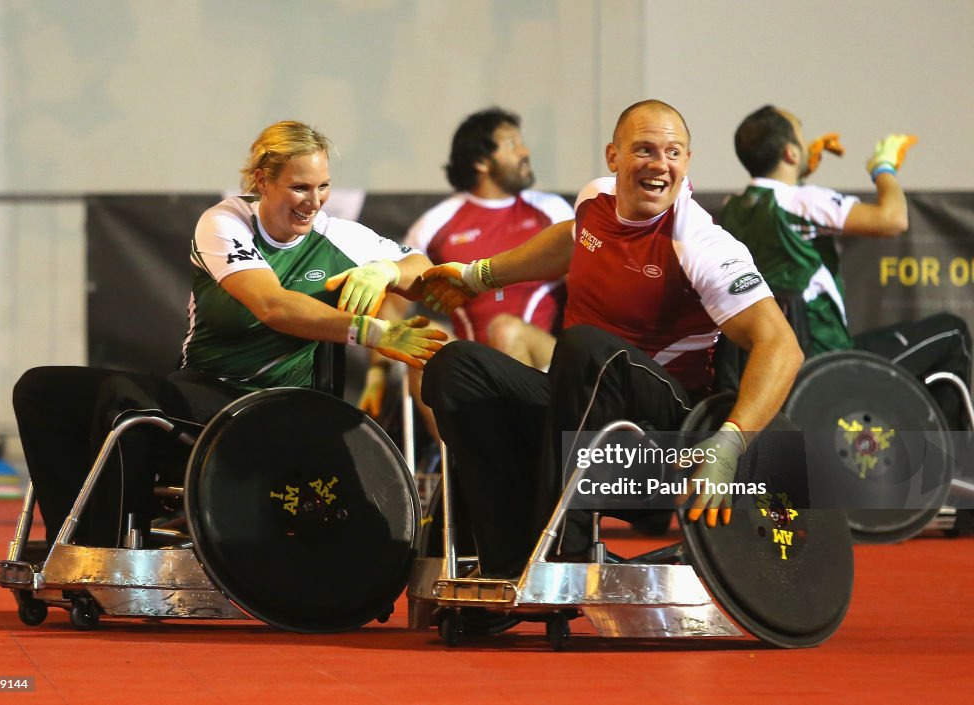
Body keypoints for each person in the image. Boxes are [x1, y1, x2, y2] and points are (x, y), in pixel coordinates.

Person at [13, 120, 446, 547]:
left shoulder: (340, 237)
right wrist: (370, 331)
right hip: (204, 391)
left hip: (275, 408)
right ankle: (69, 541)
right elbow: (271, 305)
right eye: (300, 187)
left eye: (323, 186)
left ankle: (105, 549)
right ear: (262, 180)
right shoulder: (225, 222)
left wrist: (388, 269)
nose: (313, 202)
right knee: (40, 389)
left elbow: (424, 272)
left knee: (124, 396)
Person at [419, 100, 803, 577]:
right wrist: (479, 276)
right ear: (613, 157)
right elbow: (570, 239)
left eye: (673, 152)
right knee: (454, 366)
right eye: (644, 150)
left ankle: (566, 556)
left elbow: (781, 345)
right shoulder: (596, 200)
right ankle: (508, 561)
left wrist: (730, 443)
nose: (659, 164)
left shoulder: (703, 245)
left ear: (687, 162)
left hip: (664, 439)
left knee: (584, 347)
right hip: (578, 411)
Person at [720, 106, 971, 429]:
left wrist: (802, 166)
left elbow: (780, 200)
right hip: (828, 364)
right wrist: (884, 167)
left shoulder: (733, 207)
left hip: (774, 368)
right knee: (953, 332)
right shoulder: (802, 201)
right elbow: (893, 218)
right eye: (802, 135)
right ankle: (950, 463)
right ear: (790, 153)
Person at [358, 108, 574, 439]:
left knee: (506, 330)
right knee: (425, 337)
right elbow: (393, 309)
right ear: (481, 161)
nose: (525, 151)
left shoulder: (552, 210)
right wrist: (376, 374)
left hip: (546, 363)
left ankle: (525, 455)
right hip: (473, 369)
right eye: (512, 143)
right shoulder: (436, 223)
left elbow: (585, 286)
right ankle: (465, 462)